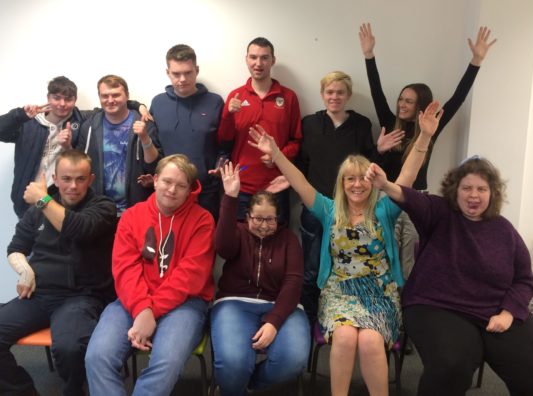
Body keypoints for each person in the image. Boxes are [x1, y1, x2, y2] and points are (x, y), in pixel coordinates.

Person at [248, 101, 442, 396]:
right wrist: (276, 154)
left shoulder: (384, 208)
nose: (356, 184)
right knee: (345, 338)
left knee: (370, 341)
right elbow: (299, 182)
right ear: (341, 183)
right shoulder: (328, 210)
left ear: (373, 181)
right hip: (339, 292)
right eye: (349, 178)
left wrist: (424, 137)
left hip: (380, 293)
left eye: (363, 178)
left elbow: (407, 176)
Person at [369, 156, 533, 396]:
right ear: (455, 190)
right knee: (452, 366)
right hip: (436, 305)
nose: (474, 195)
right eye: (467, 188)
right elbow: (412, 199)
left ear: (492, 194)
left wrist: (508, 312)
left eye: (481, 189)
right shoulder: (440, 212)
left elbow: (523, 280)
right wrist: (386, 185)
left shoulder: (504, 230)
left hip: (494, 309)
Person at [0, 150, 117, 396]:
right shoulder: (37, 211)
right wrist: (25, 270)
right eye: (66, 178)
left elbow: (78, 229)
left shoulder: (103, 207)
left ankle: (73, 390)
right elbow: (16, 247)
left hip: (81, 296)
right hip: (39, 295)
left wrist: (43, 199)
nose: (72, 185)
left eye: (80, 179)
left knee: (70, 349)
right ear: (55, 179)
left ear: (90, 179)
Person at [358, 23, 497, 280]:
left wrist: (476, 62)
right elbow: (376, 90)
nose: (402, 104)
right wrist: (369, 55)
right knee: (381, 257)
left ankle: (411, 310)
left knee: (410, 260)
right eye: (401, 99)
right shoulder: (389, 124)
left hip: (416, 200)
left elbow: (458, 98)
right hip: (383, 199)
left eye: (408, 101)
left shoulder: (429, 129)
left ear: (421, 105)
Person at [85, 154, 216, 396]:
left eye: (181, 185)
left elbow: (189, 277)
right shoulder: (132, 216)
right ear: (155, 180)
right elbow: (125, 269)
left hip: (185, 304)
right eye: (167, 181)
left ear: (190, 190)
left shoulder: (203, 221)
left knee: (165, 364)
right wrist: (142, 310)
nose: (172, 190)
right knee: (97, 357)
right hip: (132, 300)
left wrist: (150, 312)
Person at [297, 70, 402, 323]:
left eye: (340, 92)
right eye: (330, 92)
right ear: (322, 95)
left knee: (349, 267)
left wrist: (379, 150)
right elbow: (301, 163)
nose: (335, 97)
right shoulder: (309, 123)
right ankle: (312, 321)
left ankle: (354, 312)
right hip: (317, 208)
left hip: (352, 211)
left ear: (348, 95)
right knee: (312, 270)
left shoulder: (361, 124)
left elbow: (366, 169)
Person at [211, 161, 310, 396]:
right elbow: (223, 248)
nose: (264, 226)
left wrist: (274, 322)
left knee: (293, 359)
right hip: (234, 302)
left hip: (282, 305)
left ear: (278, 219)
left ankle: (249, 383)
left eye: (270, 220)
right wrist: (230, 197)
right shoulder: (237, 231)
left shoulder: (288, 240)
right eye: (257, 219)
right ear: (247, 216)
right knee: (233, 364)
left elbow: (293, 283)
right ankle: (232, 384)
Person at [0, 76, 149, 218]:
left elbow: (112, 105)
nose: (62, 104)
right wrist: (19, 115)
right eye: (56, 98)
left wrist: (138, 105)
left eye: (68, 99)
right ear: (48, 97)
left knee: (59, 249)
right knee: (28, 247)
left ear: (75, 99)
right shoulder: (29, 123)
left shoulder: (82, 119)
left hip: (64, 203)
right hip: (30, 199)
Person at [217, 37, 302, 222]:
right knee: (241, 244)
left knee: (277, 243)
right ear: (246, 59)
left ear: (273, 60)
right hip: (241, 186)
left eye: (264, 58)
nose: (258, 63)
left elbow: (296, 142)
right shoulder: (235, 95)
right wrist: (228, 115)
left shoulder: (288, 97)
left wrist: (277, 156)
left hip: (276, 186)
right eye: (253, 57)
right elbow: (224, 139)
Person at [150, 44, 225, 221]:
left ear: (196, 70)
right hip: (169, 192)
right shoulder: (158, 103)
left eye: (188, 73)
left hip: (205, 192)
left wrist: (222, 163)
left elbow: (225, 144)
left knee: (204, 245)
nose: (182, 79)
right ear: (167, 72)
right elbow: (155, 146)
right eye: (176, 74)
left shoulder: (215, 102)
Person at [76, 74, 161, 216]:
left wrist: (145, 139)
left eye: (116, 95)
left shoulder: (145, 123)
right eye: (105, 96)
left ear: (127, 96)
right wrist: (66, 147)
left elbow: (154, 167)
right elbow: (79, 164)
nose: (110, 100)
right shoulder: (89, 126)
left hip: (136, 209)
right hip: (98, 210)